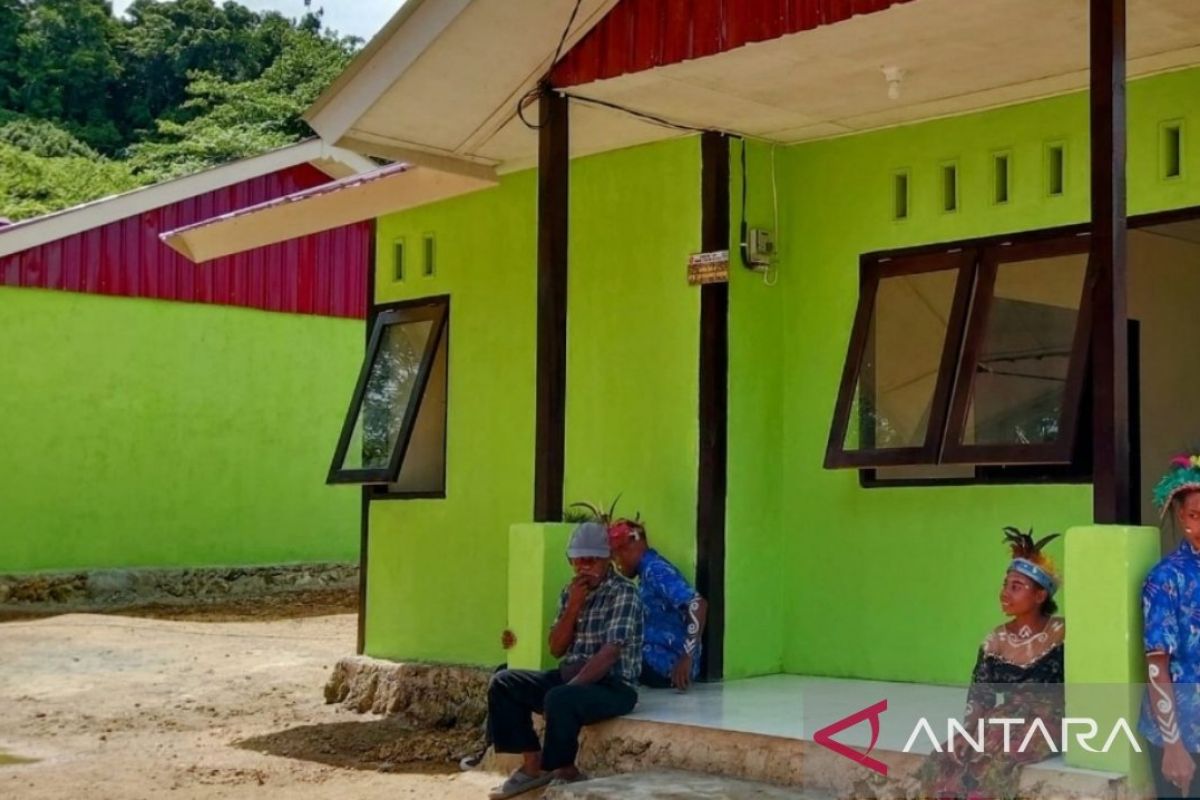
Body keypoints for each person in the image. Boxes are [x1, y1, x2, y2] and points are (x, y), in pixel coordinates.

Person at [485, 522, 643, 799]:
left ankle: (566, 769)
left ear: (607, 560)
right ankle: (533, 766)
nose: (583, 567)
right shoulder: (571, 593)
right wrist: (573, 607)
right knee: (504, 681)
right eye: (577, 561)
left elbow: (610, 653)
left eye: (590, 560)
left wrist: (573, 688)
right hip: (571, 675)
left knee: (560, 698)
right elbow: (557, 648)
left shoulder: (623, 593)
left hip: (613, 685)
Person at [913, 526, 1065, 800]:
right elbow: (982, 693)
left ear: (1040, 596)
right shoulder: (995, 639)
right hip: (1004, 717)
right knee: (949, 755)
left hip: (1049, 719)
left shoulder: (1060, 632)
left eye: (1016, 587)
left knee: (994, 757)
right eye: (1005, 585)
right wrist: (967, 730)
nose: (1005, 593)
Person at [1141, 454, 1200, 798]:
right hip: (1186, 739)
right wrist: (1173, 747)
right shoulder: (1166, 579)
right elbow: (1157, 664)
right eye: (1195, 515)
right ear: (1181, 517)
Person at [608, 517, 707, 691]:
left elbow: (698, 604)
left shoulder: (655, 569)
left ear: (634, 545)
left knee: (607, 651)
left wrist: (687, 657)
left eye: (618, 553)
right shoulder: (647, 572)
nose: (617, 563)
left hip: (669, 664)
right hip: (658, 662)